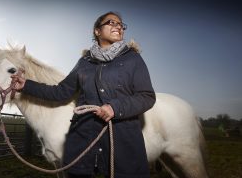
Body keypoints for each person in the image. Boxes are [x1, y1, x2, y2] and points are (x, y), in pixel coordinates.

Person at [11, 11, 156, 178]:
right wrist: (26, 85)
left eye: (121, 25)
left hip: (122, 140)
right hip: (82, 138)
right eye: (111, 22)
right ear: (97, 31)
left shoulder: (133, 59)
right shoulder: (84, 63)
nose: (118, 26)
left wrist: (115, 108)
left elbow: (146, 96)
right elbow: (60, 91)